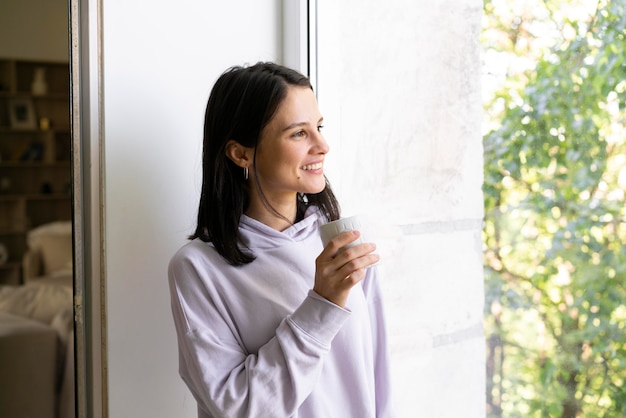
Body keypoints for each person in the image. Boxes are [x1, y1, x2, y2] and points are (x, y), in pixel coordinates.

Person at [168, 62, 394, 418]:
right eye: (298, 134)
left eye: (318, 127)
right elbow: (239, 407)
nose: (323, 145)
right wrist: (322, 303)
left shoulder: (340, 244)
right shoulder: (198, 267)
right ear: (241, 153)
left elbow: (378, 373)